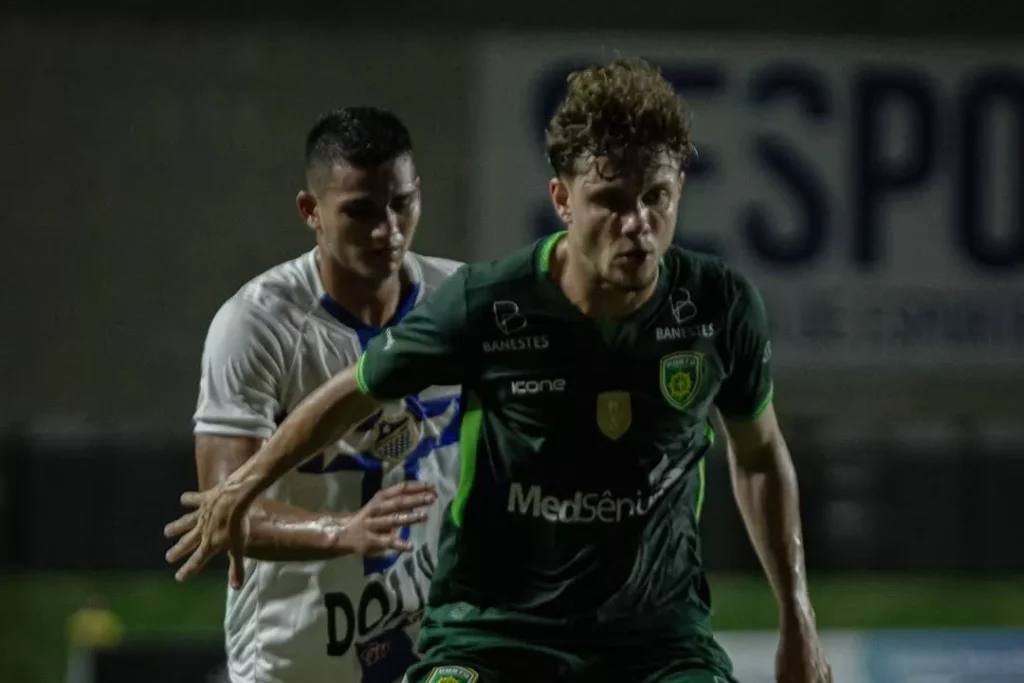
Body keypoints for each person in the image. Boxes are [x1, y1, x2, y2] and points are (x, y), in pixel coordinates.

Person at [166, 60, 833, 683]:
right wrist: (261, 492)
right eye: (610, 199)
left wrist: (797, 613)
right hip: (443, 638)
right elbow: (344, 397)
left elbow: (761, 453)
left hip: (636, 637)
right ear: (562, 199)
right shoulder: (480, 305)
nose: (638, 225)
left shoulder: (718, 307)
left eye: (656, 195)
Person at [164, 106, 463, 683]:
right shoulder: (256, 325)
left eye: (401, 204)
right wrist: (341, 532)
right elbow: (223, 514)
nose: (388, 231)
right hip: (294, 657)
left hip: (429, 646)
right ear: (311, 212)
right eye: (360, 212)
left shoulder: (457, 300)